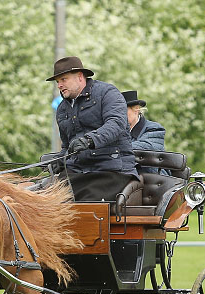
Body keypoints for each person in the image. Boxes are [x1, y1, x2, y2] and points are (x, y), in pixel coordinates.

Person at [46, 56, 140, 201]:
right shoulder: (62, 110)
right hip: (78, 171)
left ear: (79, 77)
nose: (59, 85)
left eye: (63, 79)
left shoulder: (107, 93)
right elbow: (67, 147)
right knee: (44, 195)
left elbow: (116, 124)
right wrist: (59, 160)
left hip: (113, 170)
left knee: (84, 200)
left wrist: (89, 140)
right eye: (58, 82)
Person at [122, 90, 169, 175]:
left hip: (153, 180)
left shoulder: (155, 129)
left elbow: (144, 148)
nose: (119, 115)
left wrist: (114, 148)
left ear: (136, 109)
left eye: (123, 110)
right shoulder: (118, 131)